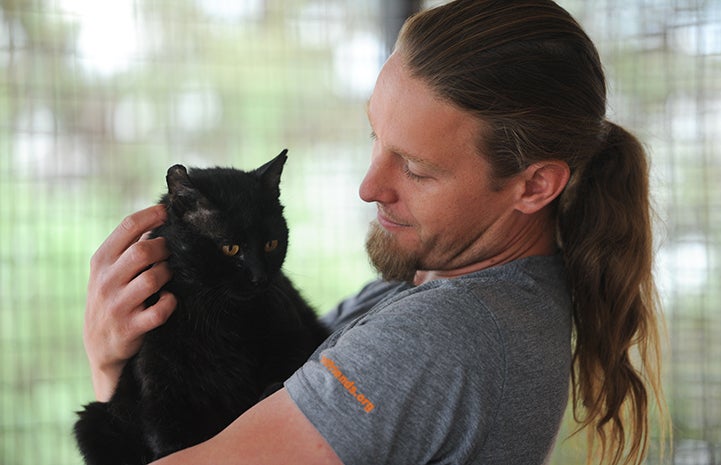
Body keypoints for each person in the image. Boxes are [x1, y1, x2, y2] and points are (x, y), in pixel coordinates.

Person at [82, 1, 667, 464]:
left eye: (415, 167)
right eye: (375, 139)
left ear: (535, 186)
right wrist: (123, 355)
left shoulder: (445, 335)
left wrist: (107, 368)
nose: (369, 186)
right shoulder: (415, 295)